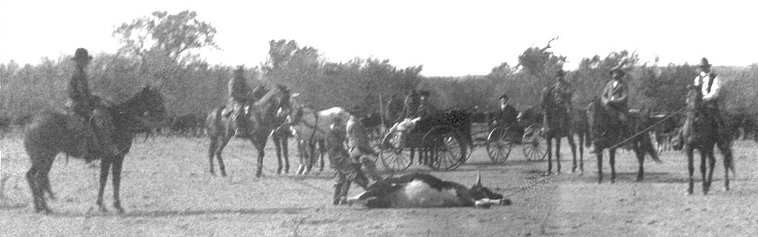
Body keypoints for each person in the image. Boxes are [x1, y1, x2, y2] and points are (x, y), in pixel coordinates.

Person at [66, 48, 119, 161]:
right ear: (78, 61)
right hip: (78, 104)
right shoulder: (79, 73)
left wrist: (95, 97)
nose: (86, 62)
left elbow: (85, 92)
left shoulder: (80, 72)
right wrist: (94, 99)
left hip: (76, 102)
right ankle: (95, 149)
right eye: (83, 60)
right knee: (98, 118)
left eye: (86, 60)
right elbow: (82, 92)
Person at [690, 57, 733, 157]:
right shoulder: (697, 78)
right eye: (701, 67)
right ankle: (683, 140)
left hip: (710, 104)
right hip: (699, 105)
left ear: (708, 67)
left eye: (704, 67)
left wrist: (705, 98)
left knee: (719, 122)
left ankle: (723, 142)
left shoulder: (715, 77)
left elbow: (715, 92)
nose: (702, 69)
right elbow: (696, 91)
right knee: (689, 118)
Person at [326, 117, 370, 205]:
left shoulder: (335, 132)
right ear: (335, 125)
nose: (340, 128)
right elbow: (337, 146)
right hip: (338, 158)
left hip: (337, 158)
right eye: (338, 126)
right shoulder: (330, 134)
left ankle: (339, 198)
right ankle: (368, 188)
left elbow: (344, 140)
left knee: (341, 178)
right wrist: (347, 153)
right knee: (353, 174)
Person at [346, 115, 383, 182]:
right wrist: (372, 151)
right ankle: (378, 181)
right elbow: (360, 141)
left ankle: (368, 183)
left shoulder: (349, 123)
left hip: (352, 148)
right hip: (357, 149)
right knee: (369, 164)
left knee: (357, 169)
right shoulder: (355, 125)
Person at [226, 66, 257, 137]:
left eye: (241, 72)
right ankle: (238, 129)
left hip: (245, 100)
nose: (241, 73)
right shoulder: (232, 82)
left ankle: (252, 127)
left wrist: (252, 96)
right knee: (239, 111)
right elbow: (232, 93)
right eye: (239, 72)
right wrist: (244, 96)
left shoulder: (244, 81)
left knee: (254, 108)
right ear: (236, 73)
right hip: (235, 101)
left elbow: (249, 89)